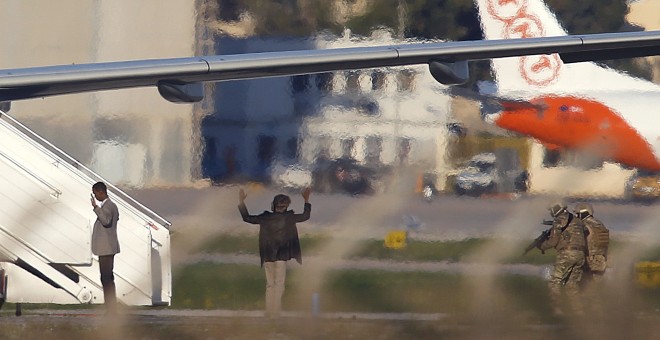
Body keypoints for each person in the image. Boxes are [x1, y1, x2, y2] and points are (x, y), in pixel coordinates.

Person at [238, 187, 311, 317]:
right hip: (282, 256)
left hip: (268, 255)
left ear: (274, 205)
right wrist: (306, 200)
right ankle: (276, 311)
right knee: (279, 284)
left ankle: (269, 311)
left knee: (270, 285)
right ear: (286, 206)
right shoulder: (289, 218)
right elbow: (306, 216)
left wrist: (241, 202)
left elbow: (247, 218)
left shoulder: (265, 217)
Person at [538, 201, 587, 316]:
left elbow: (553, 241)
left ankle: (557, 310)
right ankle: (579, 310)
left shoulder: (559, 220)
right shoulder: (577, 220)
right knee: (572, 285)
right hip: (580, 255)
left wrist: (542, 246)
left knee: (555, 282)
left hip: (567, 254)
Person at [90, 181, 120, 314]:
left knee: (106, 278)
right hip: (107, 248)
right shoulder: (110, 206)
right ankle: (111, 306)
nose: (95, 197)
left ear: (100, 192)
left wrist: (96, 207)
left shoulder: (108, 206)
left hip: (106, 248)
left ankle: (111, 307)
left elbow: (106, 221)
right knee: (107, 277)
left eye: (95, 193)